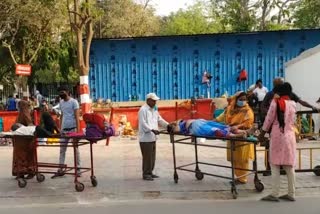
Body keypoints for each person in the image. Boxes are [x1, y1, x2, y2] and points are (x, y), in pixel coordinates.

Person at [260, 77, 318, 176]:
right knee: (269, 147)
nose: (279, 87)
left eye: (281, 84)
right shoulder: (270, 94)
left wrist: (312, 107)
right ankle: (269, 168)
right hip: (273, 126)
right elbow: (263, 107)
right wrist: (273, 114)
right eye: (277, 84)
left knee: (285, 147)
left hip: (286, 127)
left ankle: (283, 167)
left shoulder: (289, 95)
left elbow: (301, 101)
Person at [259, 82, 296, 202]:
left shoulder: (275, 103)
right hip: (290, 136)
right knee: (289, 165)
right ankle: (291, 193)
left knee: (274, 164)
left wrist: (262, 134)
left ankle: (274, 193)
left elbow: (269, 119)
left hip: (277, 136)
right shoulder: (293, 104)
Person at [215, 91, 255, 184]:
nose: (243, 101)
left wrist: (238, 126)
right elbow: (220, 118)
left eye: (244, 99)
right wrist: (210, 122)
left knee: (242, 159)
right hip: (231, 135)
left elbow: (249, 121)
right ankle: (238, 177)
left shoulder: (247, 110)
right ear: (235, 100)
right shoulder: (229, 109)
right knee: (234, 158)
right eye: (241, 99)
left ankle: (242, 178)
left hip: (242, 137)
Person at [138, 93, 170, 181]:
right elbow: (143, 123)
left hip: (153, 137)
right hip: (145, 138)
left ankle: (150, 172)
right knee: (147, 157)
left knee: (152, 157)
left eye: (155, 101)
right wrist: (152, 130)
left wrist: (168, 125)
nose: (155, 102)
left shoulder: (154, 109)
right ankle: (146, 174)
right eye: (153, 101)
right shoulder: (143, 110)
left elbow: (159, 119)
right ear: (148, 100)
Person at [52, 85, 80, 178]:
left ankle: (78, 168)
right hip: (64, 130)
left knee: (75, 149)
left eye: (63, 92)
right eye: (60, 92)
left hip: (73, 129)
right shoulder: (61, 103)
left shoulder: (74, 102)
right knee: (62, 150)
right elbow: (62, 115)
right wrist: (60, 129)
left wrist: (78, 132)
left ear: (67, 92)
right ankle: (60, 168)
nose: (61, 94)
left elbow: (77, 117)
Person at [12, 100, 36, 179]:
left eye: (20, 105)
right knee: (19, 156)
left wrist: (21, 127)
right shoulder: (20, 114)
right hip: (19, 140)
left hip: (25, 140)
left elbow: (30, 125)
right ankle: (20, 172)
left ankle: (30, 171)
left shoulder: (25, 113)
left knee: (26, 156)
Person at [170, 119, 255, 138]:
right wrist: (175, 124)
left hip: (200, 122)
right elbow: (176, 129)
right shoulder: (176, 127)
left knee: (224, 127)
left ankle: (246, 131)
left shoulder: (180, 122)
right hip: (196, 128)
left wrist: (176, 122)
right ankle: (236, 136)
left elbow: (178, 120)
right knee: (216, 131)